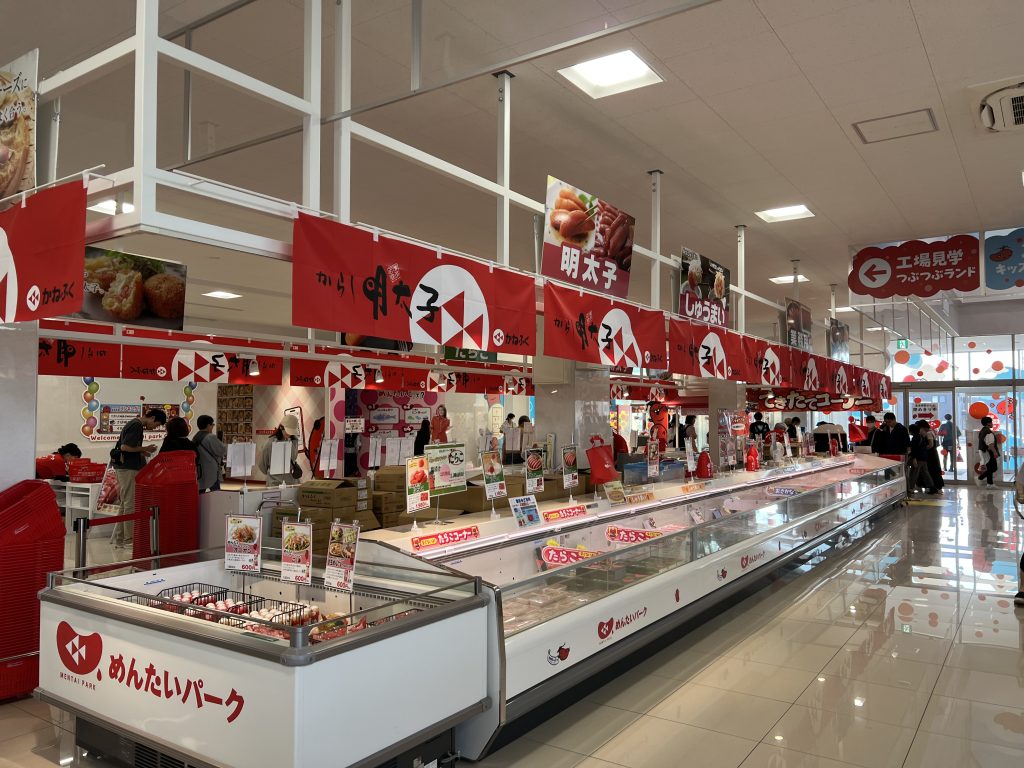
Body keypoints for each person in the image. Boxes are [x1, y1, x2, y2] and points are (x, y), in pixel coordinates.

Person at [110, 407, 167, 547]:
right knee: (130, 504)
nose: (154, 428)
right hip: (128, 468)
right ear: (152, 418)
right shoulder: (136, 425)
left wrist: (141, 452)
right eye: (156, 425)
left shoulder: (134, 424)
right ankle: (129, 540)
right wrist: (144, 449)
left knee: (124, 504)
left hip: (125, 467)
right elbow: (125, 447)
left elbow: (128, 447)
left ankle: (120, 539)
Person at [258, 413, 300, 486]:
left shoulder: (294, 441)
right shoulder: (270, 443)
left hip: (291, 483)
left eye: (292, 432)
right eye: (288, 431)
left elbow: (263, 466)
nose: (289, 434)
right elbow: (262, 465)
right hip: (274, 484)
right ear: (281, 427)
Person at [193, 414, 227, 492]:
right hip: (211, 470)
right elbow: (222, 450)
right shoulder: (210, 437)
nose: (212, 427)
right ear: (208, 425)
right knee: (215, 493)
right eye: (212, 425)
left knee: (200, 492)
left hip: (199, 470)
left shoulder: (195, 437)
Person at [908, 423, 935, 495]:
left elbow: (914, 449)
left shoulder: (915, 438)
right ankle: (932, 487)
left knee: (914, 473)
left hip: (918, 458)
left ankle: (910, 488)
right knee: (925, 473)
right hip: (924, 457)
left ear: (911, 431)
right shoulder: (921, 437)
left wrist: (914, 459)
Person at [917, 419, 943, 494]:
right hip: (933, 453)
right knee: (933, 470)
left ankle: (935, 487)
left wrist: (923, 449)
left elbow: (931, 445)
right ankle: (936, 487)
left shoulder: (928, 433)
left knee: (931, 470)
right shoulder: (931, 431)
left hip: (930, 454)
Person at [977, 415, 999, 486]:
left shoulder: (982, 430)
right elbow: (990, 444)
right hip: (989, 452)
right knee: (993, 468)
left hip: (983, 451)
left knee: (989, 467)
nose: (992, 424)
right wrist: (995, 452)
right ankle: (980, 478)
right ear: (988, 423)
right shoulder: (988, 432)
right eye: (991, 422)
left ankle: (990, 484)